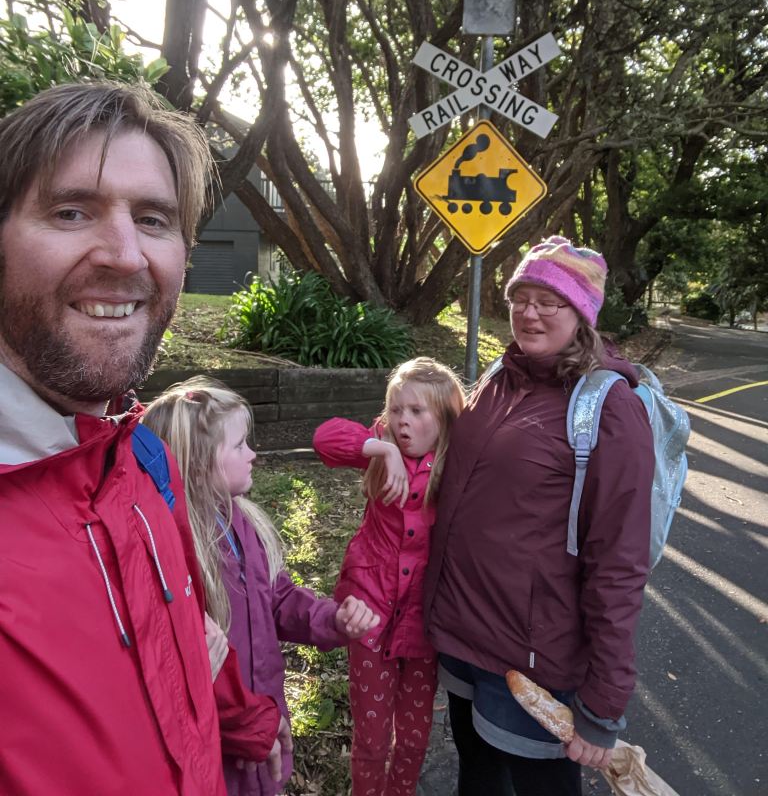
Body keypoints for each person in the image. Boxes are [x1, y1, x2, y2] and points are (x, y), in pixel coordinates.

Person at [0, 83, 284, 796]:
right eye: (71, 211)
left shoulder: (141, 457)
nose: (126, 255)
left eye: (154, 219)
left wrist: (246, 723)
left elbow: (178, 641)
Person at [422, 236, 655, 796]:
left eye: (550, 301)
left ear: (582, 314)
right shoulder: (499, 381)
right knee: (477, 778)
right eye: (520, 296)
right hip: (464, 633)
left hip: (534, 660)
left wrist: (603, 702)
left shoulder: (609, 408)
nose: (529, 312)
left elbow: (619, 562)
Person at [142, 375, 381, 796]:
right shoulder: (175, 554)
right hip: (219, 749)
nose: (253, 453)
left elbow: (278, 598)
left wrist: (333, 619)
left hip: (266, 728)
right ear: (197, 462)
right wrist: (246, 727)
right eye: (239, 445)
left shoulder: (242, 522)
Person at [313, 357, 466, 796]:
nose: (403, 421)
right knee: (373, 736)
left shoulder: (456, 464)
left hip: (423, 616)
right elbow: (325, 438)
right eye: (397, 409)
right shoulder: (382, 446)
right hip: (370, 608)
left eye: (418, 412)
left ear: (445, 418)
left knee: (415, 735)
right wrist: (382, 450)